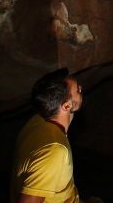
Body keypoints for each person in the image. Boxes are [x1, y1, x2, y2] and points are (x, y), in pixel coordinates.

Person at [11, 68, 84, 203]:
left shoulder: (37, 121)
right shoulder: (54, 152)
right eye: (78, 90)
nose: (81, 88)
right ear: (67, 106)